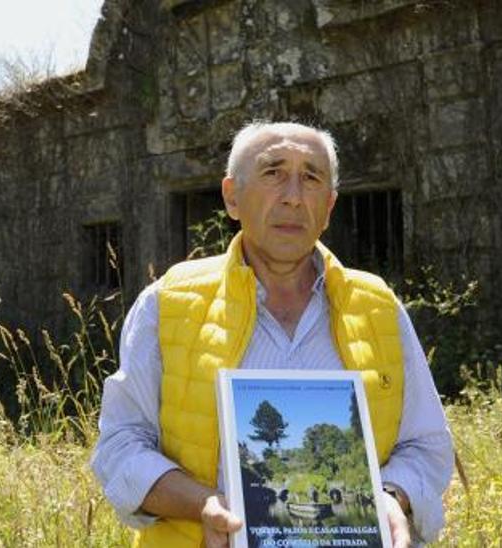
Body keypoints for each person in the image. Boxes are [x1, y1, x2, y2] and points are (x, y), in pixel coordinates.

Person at [90, 122, 454, 547]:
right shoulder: (169, 303)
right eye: (273, 173)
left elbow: (425, 445)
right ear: (231, 197)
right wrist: (204, 504)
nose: (293, 196)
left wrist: (390, 497)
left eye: (312, 178)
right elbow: (120, 444)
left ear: (330, 205)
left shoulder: (379, 307)